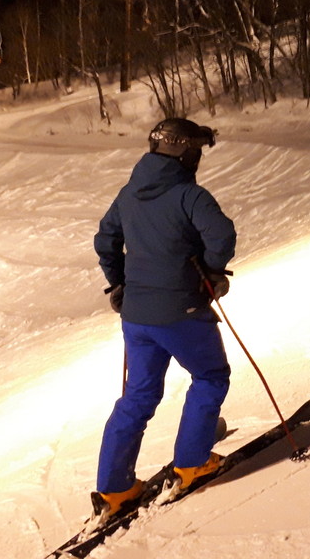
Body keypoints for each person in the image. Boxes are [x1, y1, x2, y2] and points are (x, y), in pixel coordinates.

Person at [91, 117, 237, 518]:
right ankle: (191, 463)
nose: (198, 159)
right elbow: (222, 235)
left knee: (138, 395)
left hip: (137, 317)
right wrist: (210, 272)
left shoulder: (129, 192)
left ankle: (115, 489)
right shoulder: (189, 195)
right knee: (210, 376)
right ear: (186, 152)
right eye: (197, 151)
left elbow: (106, 239)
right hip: (181, 311)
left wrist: (119, 282)